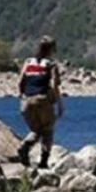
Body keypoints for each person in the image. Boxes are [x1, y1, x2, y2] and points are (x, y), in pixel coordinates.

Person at [17, 36, 64, 168]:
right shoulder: (51, 64)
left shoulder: (28, 62)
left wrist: (22, 97)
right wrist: (59, 104)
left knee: (36, 130)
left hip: (26, 100)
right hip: (42, 99)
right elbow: (55, 85)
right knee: (48, 130)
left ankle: (24, 146)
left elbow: (20, 81)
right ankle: (43, 161)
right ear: (51, 49)